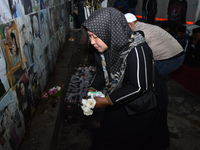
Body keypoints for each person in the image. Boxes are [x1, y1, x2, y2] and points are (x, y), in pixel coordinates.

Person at [82, 7, 170, 150]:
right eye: (90, 36)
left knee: (138, 141)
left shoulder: (137, 49)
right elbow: (101, 73)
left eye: (95, 36)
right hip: (119, 97)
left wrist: (105, 101)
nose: (92, 42)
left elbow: (139, 87)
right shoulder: (101, 48)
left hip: (141, 107)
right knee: (107, 136)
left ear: (110, 31)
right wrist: (92, 89)